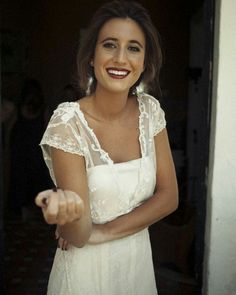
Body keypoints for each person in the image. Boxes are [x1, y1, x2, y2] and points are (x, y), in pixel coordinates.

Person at [35, 1, 178, 294]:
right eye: (110, 45)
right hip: (86, 271)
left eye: (134, 48)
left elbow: (169, 197)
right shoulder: (68, 122)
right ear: (91, 55)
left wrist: (105, 232)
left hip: (136, 267)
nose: (120, 58)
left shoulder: (150, 113)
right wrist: (68, 217)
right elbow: (78, 234)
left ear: (145, 61)